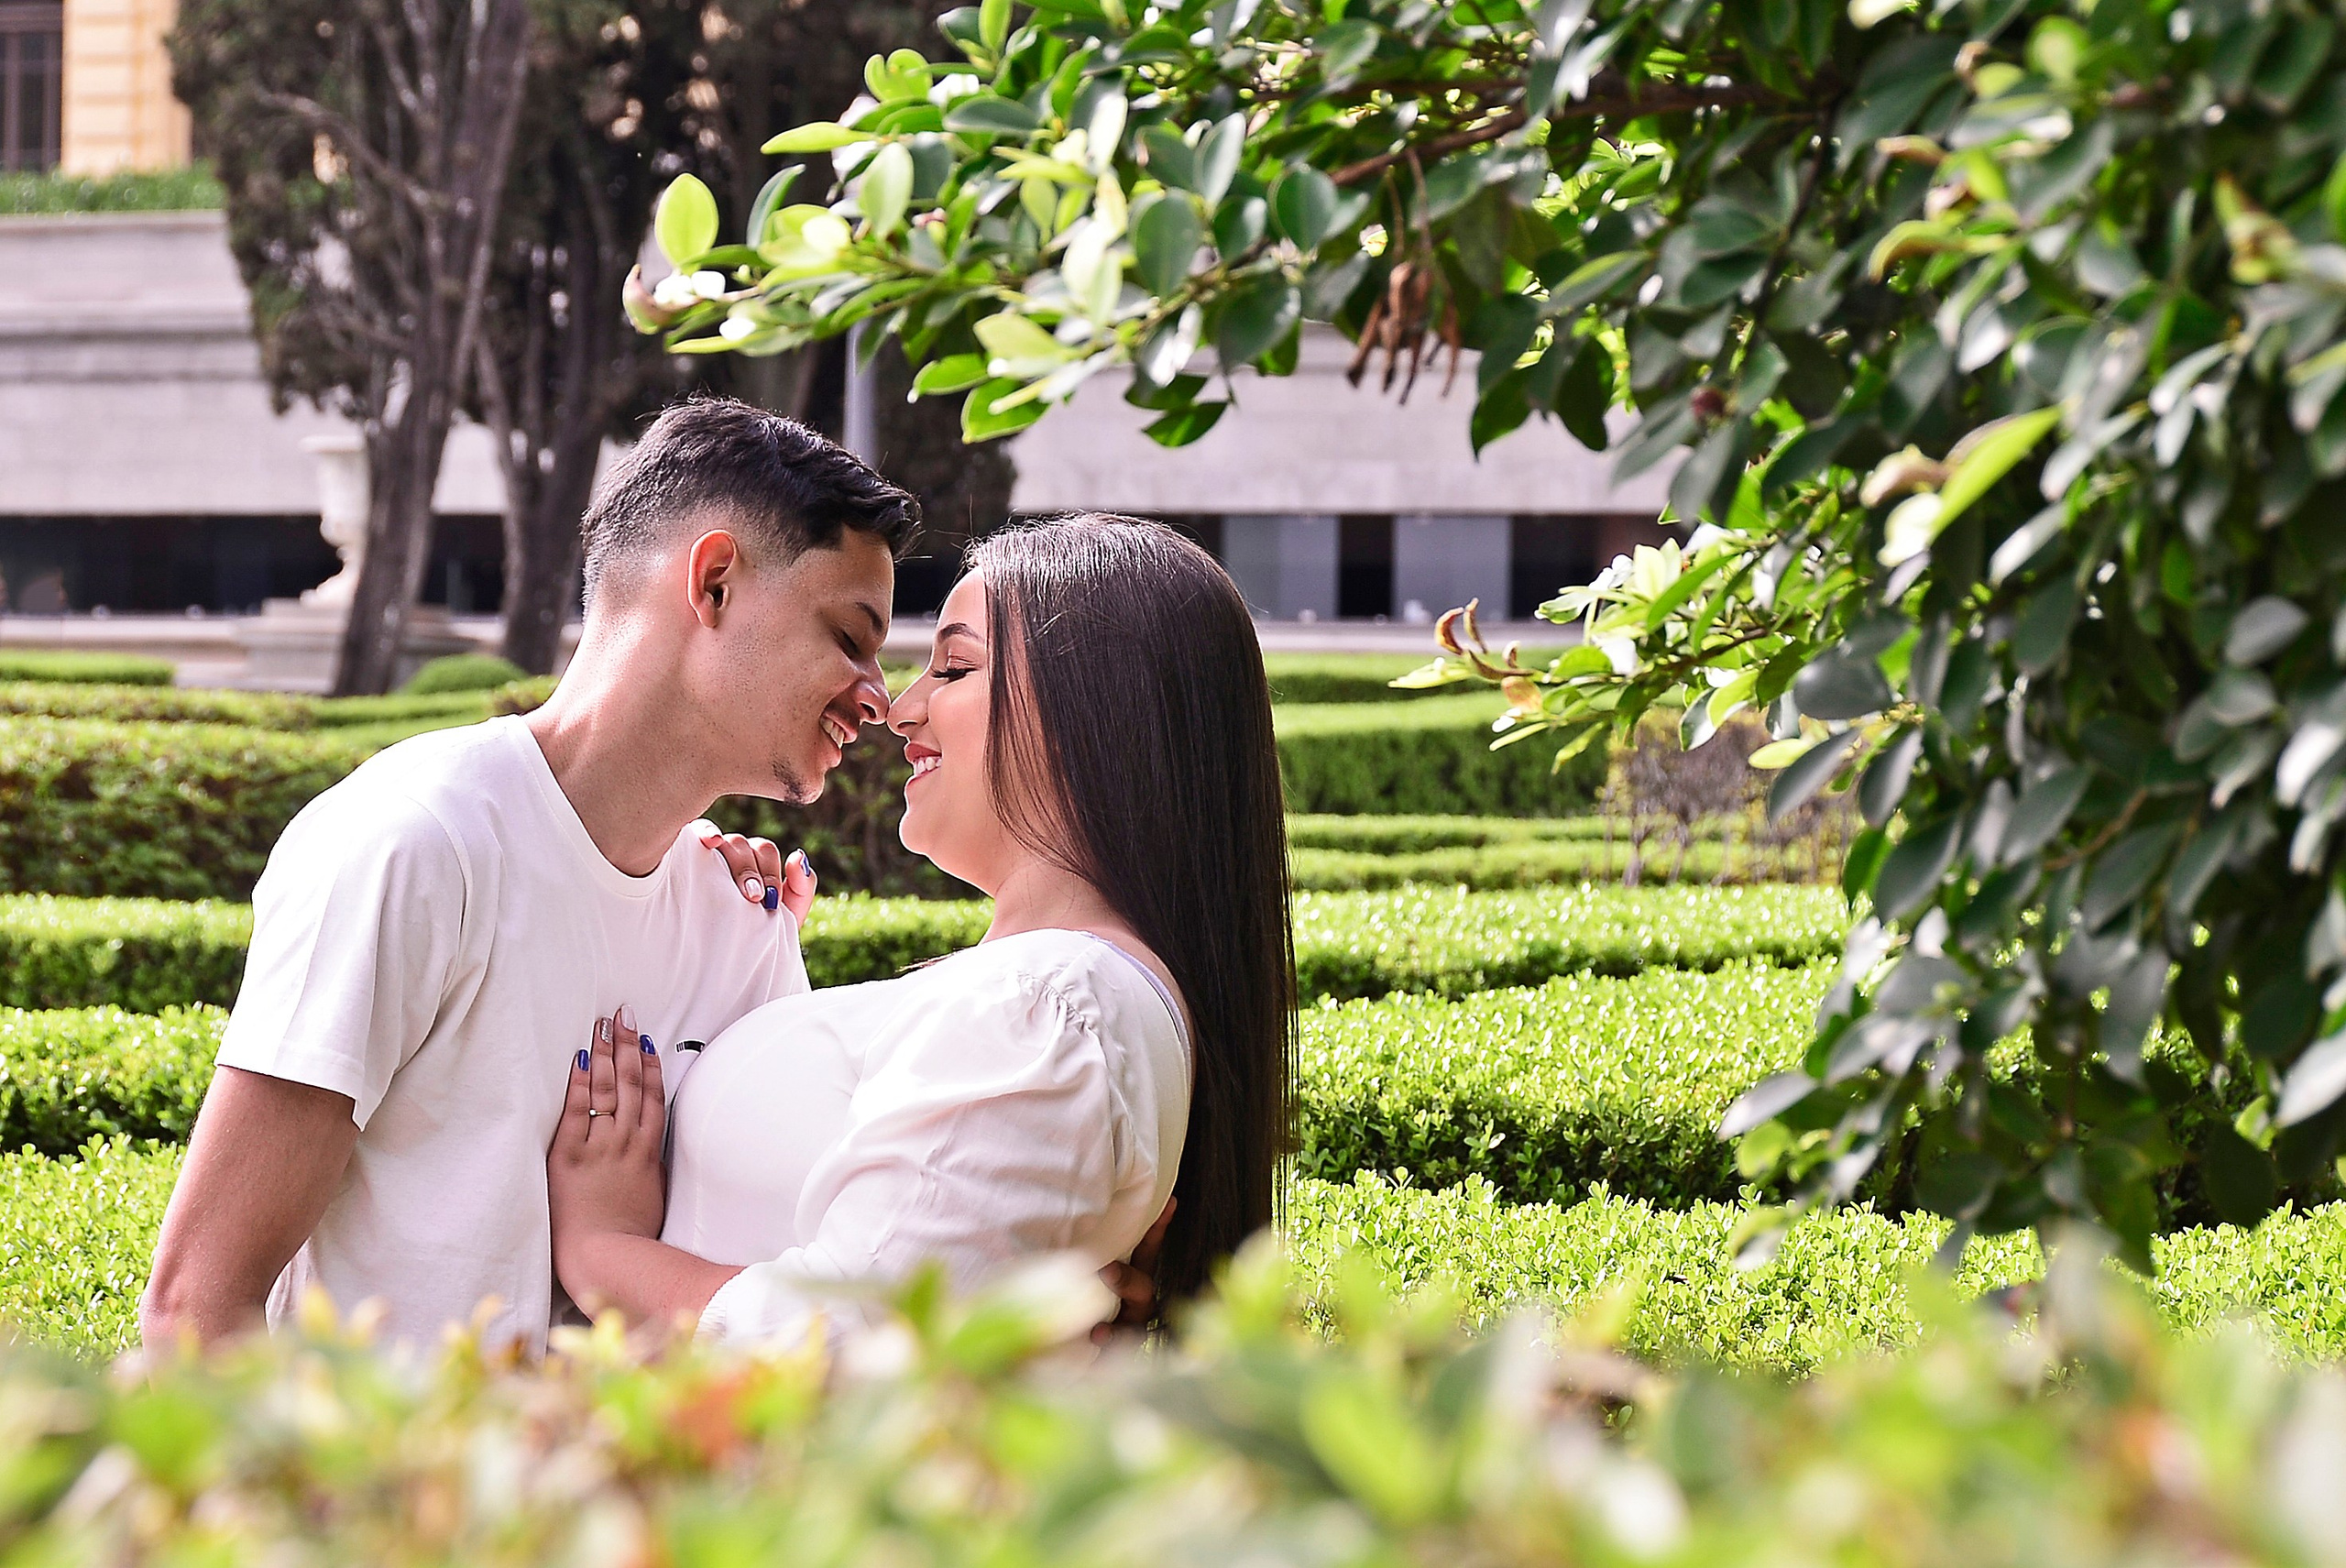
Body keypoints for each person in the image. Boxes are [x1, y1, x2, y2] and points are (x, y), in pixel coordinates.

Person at [138, 399, 916, 1356]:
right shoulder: (417, 845)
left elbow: (778, 1280)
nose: (879, 696)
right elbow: (195, 1310)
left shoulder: (742, 922)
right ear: (713, 583)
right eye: (850, 636)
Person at [543, 516, 1296, 1343]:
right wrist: (734, 946)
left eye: (956, 666)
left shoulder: (1047, 1006)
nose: (901, 711)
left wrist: (603, 1250)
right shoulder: (1044, 998)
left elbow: (858, 1342)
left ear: (1101, 709)